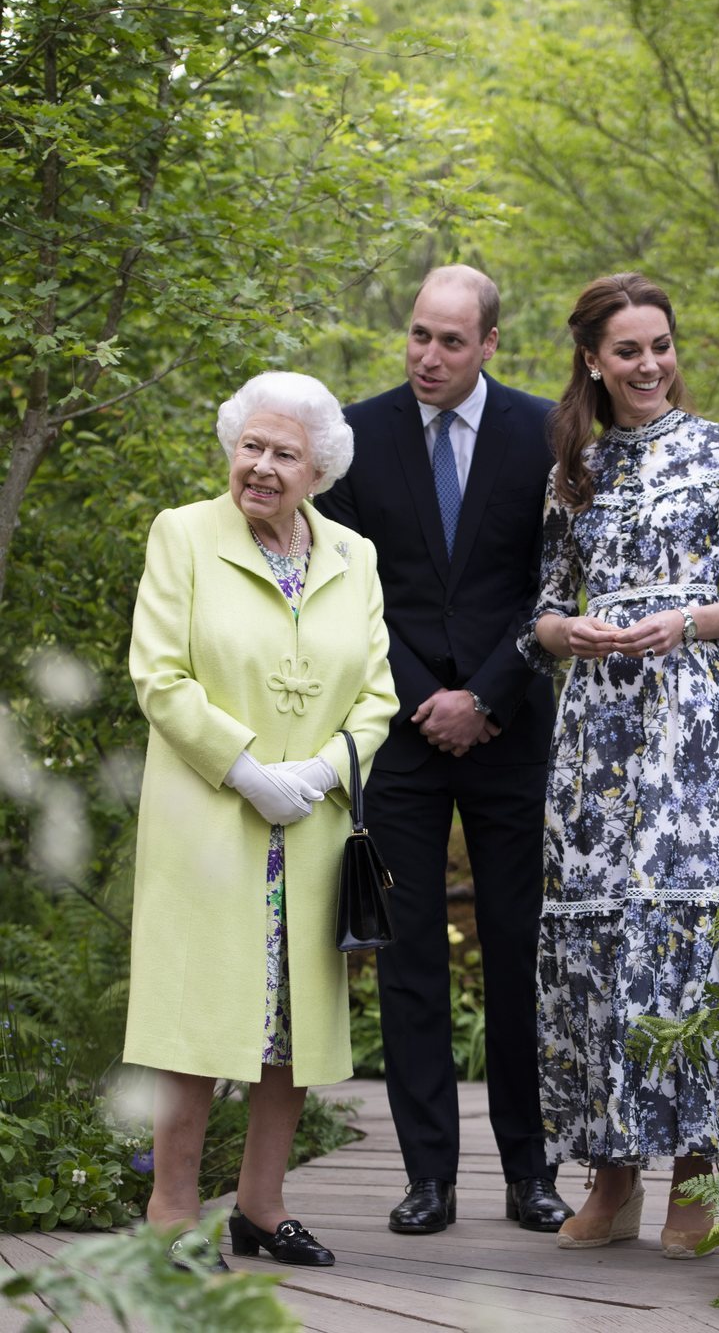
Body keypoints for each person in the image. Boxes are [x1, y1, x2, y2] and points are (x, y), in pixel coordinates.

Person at [517, 273, 719, 1257]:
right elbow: (541, 612)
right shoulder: (572, 469)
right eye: (627, 349)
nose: (648, 364)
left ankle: (694, 1172)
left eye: (660, 345)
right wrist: (570, 632)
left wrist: (684, 620)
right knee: (604, 944)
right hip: (598, 739)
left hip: (692, 725)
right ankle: (612, 1174)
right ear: (592, 358)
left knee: (691, 934)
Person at [315, 264, 572, 1235]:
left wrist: (490, 694)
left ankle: (529, 1174)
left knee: (517, 953)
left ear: (490, 345)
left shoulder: (546, 434)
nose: (427, 356)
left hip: (512, 731)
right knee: (408, 956)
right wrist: (430, 699)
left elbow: (554, 580)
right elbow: (344, 591)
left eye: (450, 341)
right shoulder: (355, 435)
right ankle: (428, 1177)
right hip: (403, 736)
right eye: (418, 335)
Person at [125, 371, 398, 1270]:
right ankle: (170, 1211)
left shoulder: (353, 556)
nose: (263, 467)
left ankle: (260, 1204)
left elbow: (378, 694)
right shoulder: (185, 535)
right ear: (230, 448)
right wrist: (245, 769)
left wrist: (322, 772)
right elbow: (160, 676)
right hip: (212, 820)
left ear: (318, 468)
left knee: (290, 1026)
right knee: (195, 1021)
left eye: (285, 453)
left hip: (311, 830)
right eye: (252, 446)